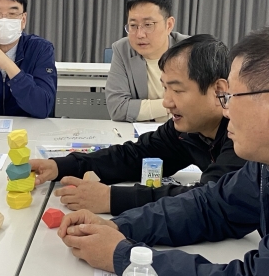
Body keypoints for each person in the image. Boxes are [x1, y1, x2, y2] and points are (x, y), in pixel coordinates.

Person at [58, 23, 269, 276]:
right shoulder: (265, 167)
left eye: (232, 98)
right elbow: (209, 206)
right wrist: (117, 227)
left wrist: (124, 256)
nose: (226, 110)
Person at [30, 35, 246, 215]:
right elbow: (134, 156)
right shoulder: (188, 130)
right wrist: (61, 166)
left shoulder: (244, 135)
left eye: (177, 90)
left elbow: (209, 200)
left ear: (219, 90)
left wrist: (112, 199)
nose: (166, 102)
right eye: (165, 89)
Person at [105, 0, 189, 122]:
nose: (139, 34)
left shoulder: (191, 50)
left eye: (148, 25)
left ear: (169, 25)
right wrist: (172, 105)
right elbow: (118, 108)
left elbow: (202, 104)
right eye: (133, 25)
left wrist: (142, 108)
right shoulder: (122, 50)